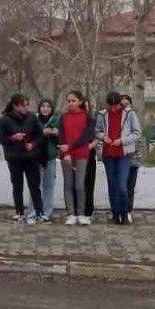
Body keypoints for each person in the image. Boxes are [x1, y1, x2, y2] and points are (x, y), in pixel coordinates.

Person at [0, 93, 44, 224]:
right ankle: (19, 212)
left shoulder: (32, 118)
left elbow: (40, 135)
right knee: (17, 186)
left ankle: (39, 212)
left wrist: (33, 144)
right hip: (14, 157)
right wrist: (13, 138)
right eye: (23, 105)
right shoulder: (5, 120)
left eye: (27, 105)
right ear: (15, 106)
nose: (26, 108)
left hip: (31, 157)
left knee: (34, 186)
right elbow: (2, 140)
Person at [102, 91, 142, 225]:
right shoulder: (103, 115)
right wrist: (103, 137)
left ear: (120, 104)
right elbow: (97, 131)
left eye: (116, 106)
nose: (113, 109)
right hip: (108, 154)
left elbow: (137, 133)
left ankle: (124, 214)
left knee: (122, 186)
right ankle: (115, 213)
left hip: (124, 154)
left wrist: (122, 141)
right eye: (111, 106)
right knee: (112, 185)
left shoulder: (129, 114)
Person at [57, 90, 96, 226]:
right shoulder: (63, 117)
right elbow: (61, 136)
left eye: (73, 101)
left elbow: (86, 137)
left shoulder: (88, 118)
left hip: (81, 154)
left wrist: (70, 147)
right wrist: (66, 152)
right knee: (68, 184)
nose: (70, 103)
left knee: (79, 185)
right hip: (66, 155)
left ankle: (81, 213)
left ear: (80, 101)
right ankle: (71, 214)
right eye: (68, 101)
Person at [32, 98, 60, 223]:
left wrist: (56, 133)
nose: (45, 108)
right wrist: (43, 132)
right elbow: (30, 134)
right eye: (43, 106)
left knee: (49, 186)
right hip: (36, 157)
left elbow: (61, 137)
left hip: (50, 157)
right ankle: (33, 212)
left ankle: (46, 213)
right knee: (35, 186)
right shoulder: (34, 119)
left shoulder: (56, 120)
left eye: (48, 106)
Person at [122, 94, 141, 222]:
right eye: (122, 105)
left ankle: (128, 211)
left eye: (127, 104)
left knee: (129, 187)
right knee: (120, 187)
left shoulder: (134, 118)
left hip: (132, 159)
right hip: (119, 158)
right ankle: (119, 210)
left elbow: (138, 139)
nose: (124, 107)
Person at [82, 96, 99, 221]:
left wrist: (89, 146)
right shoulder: (74, 120)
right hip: (77, 154)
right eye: (84, 106)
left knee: (89, 183)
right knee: (78, 184)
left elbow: (97, 137)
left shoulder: (93, 121)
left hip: (90, 153)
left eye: (88, 106)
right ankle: (78, 209)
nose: (86, 108)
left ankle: (88, 211)